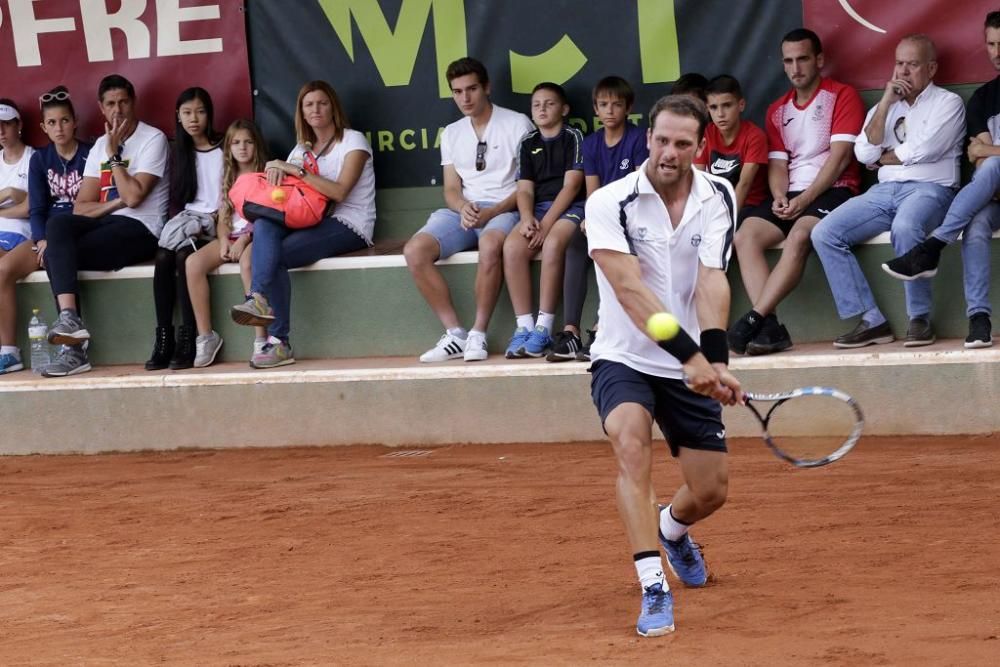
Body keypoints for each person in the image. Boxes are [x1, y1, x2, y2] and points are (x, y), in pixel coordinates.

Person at [587, 94, 741, 637]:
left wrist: (715, 361)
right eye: (660, 140)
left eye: (682, 143)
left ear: (701, 145)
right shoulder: (610, 202)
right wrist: (691, 357)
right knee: (630, 443)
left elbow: (710, 279)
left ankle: (672, 530)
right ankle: (653, 583)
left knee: (710, 491)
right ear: (645, 137)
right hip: (623, 356)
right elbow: (630, 291)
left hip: (691, 360)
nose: (669, 152)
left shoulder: (718, 194)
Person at [811, 34, 964, 348]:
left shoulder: (949, 102)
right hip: (884, 191)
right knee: (824, 233)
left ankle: (919, 318)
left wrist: (884, 157)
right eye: (899, 64)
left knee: (906, 226)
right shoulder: (887, 105)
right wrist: (884, 103)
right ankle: (872, 320)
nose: (903, 72)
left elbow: (925, 150)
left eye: (913, 64)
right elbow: (863, 153)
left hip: (931, 189)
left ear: (931, 68)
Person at [728, 28, 864, 356]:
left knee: (801, 235)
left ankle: (755, 317)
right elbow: (777, 164)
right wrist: (779, 195)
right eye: (788, 60)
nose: (795, 68)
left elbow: (840, 157)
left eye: (802, 58)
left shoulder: (842, 95)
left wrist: (804, 199)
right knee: (745, 235)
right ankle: (771, 329)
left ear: (819, 60)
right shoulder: (777, 109)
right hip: (793, 194)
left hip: (835, 190)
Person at [230, 80, 375, 368]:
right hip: (310, 220)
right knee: (267, 223)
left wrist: (293, 170)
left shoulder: (353, 140)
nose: (316, 109)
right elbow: (282, 200)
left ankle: (279, 342)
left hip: (349, 222)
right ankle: (257, 296)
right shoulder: (300, 149)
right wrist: (275, 170)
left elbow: (339, 192)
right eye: (309, 104)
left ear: (333, 106)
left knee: (276, 256)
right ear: (302, 112)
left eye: (322, 102)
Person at [881, 11, 1000, 348]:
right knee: (976, 223)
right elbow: (975, 154)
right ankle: (979, 318)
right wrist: (986, 154)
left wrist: (988, 152)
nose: (996, 52)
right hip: (994, 194)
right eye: (991, 44)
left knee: (990, 167)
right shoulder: (983, 97)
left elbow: (984, 151)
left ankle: (933, 246)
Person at [404, 57, 533, 362]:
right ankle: (455, 334)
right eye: (458, 91)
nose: (465, 97)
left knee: (490, 245)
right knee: (414, 250)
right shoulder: (451, 132)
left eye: (472, 89)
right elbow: (450, 189)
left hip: (505, 207)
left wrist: (492, 211)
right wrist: (463, 207)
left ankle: (478, 334)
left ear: (486, 87)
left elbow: (527, 185)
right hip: (466, 211)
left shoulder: (517, 123)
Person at [42, 74, 169, 377]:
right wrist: (114, 204)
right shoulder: (99, 144)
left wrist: (114, 156)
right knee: (58, 227)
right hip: (107, 222)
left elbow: (135, 197)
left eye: (123, 102)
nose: (118, 110)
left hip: (142, 230)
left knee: (55, 256)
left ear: (134, 102)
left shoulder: (153, 138)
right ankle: (70, 323)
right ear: (100, 107)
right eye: (111, 104)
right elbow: (81, 206)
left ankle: (73, 351)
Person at [548, 75, 648, 363]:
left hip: (632, 217)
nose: (610, 110)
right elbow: (593, 192)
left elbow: (639, 189)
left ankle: (602, 327)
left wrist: (610, 220)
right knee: (576, 245)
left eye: (617, 105)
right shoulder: (591, 144)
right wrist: (592, 218)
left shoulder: (638, 138)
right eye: (603, 105)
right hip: (603, 215)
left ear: (629, 108)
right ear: (595, 109)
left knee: (612, 249)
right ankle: (571, 332)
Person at [502, 82, 585, 358]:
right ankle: (524, 326)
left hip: (572, 206)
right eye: (536, 105)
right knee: (512, 247)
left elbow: (572, 186)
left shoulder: (574, 136)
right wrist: (527, 218)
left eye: (549, 104)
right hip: (537, 209)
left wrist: (546, 225)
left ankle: (544, 327)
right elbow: (524, 188)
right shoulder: (527, 142)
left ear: (564, 109)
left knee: (551, 244)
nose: (542, 109)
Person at [145, 87, 223, 370]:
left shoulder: (224, 146)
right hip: (188, 220)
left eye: (200, 112)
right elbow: (179, 199)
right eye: (187, 113)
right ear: (177, 116)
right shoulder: (178, 151)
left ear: (209, 114)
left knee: (183, 257)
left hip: (216, 223)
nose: (194, 119)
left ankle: (189, 338)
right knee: (164, 256)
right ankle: (164, 337)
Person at [186, 119, 268, 367]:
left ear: (257, 145)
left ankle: (261, 339)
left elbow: (264, 213)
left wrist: (243, 240)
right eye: (236, 142)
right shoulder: (229, 175)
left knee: (247, 266)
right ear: (229, 147)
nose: (242, 148)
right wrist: (223, 240)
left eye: (248, 142)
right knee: (192, 263)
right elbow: (223, 216)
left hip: (254, 235)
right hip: (230, 237)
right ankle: (206, 336)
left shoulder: (264, 172)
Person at [696, 75, 768, 216]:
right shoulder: (705, 133)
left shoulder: (755, 136)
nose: (720, 114)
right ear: (707, 109)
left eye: (727, 105)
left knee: (739, 238)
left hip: (750, 205)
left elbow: (744, 184)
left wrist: (725, 219)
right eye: (714, 107)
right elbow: (699, 180)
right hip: (716, 205)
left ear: (741, 105)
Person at [0, 99, 35, 373]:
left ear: (19, 125)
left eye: (6, 124)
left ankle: (9, 351)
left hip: (23, 238)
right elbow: (19, 200)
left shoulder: (35, 158)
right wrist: (11, 194)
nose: (1, 130)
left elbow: (36, 206)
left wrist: (18, 198)